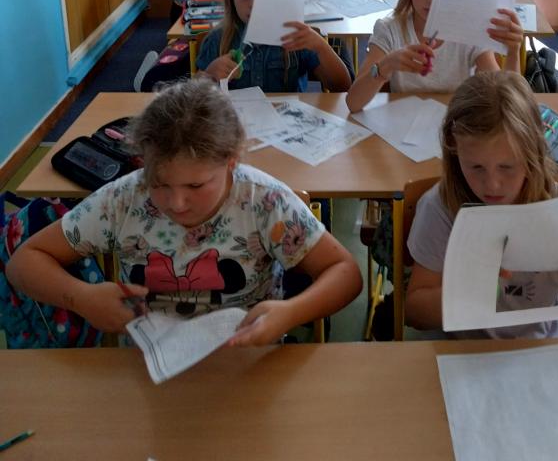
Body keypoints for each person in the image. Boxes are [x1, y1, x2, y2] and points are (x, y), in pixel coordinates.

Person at [6, 81, 362, 344]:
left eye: (195, 185)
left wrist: (291, 312)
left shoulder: (263, 201)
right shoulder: (123, 199)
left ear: (231, 161)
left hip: (246, 356)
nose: (176, 203)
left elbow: (345, 273)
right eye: (159, 183)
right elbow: (23, 262)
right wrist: (80, 297)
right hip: (149, 361)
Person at [406, 71, 558, 338]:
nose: (493, 185)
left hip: (546, 344)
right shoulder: (441, 207)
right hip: (468, 351)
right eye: (476, 167)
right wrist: (470, 289)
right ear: (454, 153)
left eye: (507, 167)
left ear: (532, 155)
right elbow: (415, 312)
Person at [345, 0, 523, 113]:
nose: (432, 0)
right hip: (404, 125)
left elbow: (508, 103)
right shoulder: (390, 29)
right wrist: (385, 66)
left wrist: (513, 52)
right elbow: (353, 102)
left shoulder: (467, 32)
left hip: (455, 124)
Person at [197, 0, 351, 92]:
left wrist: (320, 47)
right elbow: (194, 94)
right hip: (234, 112)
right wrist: (210, 76)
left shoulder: (297, 36)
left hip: (289, 112)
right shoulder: (218, 39)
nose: (254, 4)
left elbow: (342, 86)